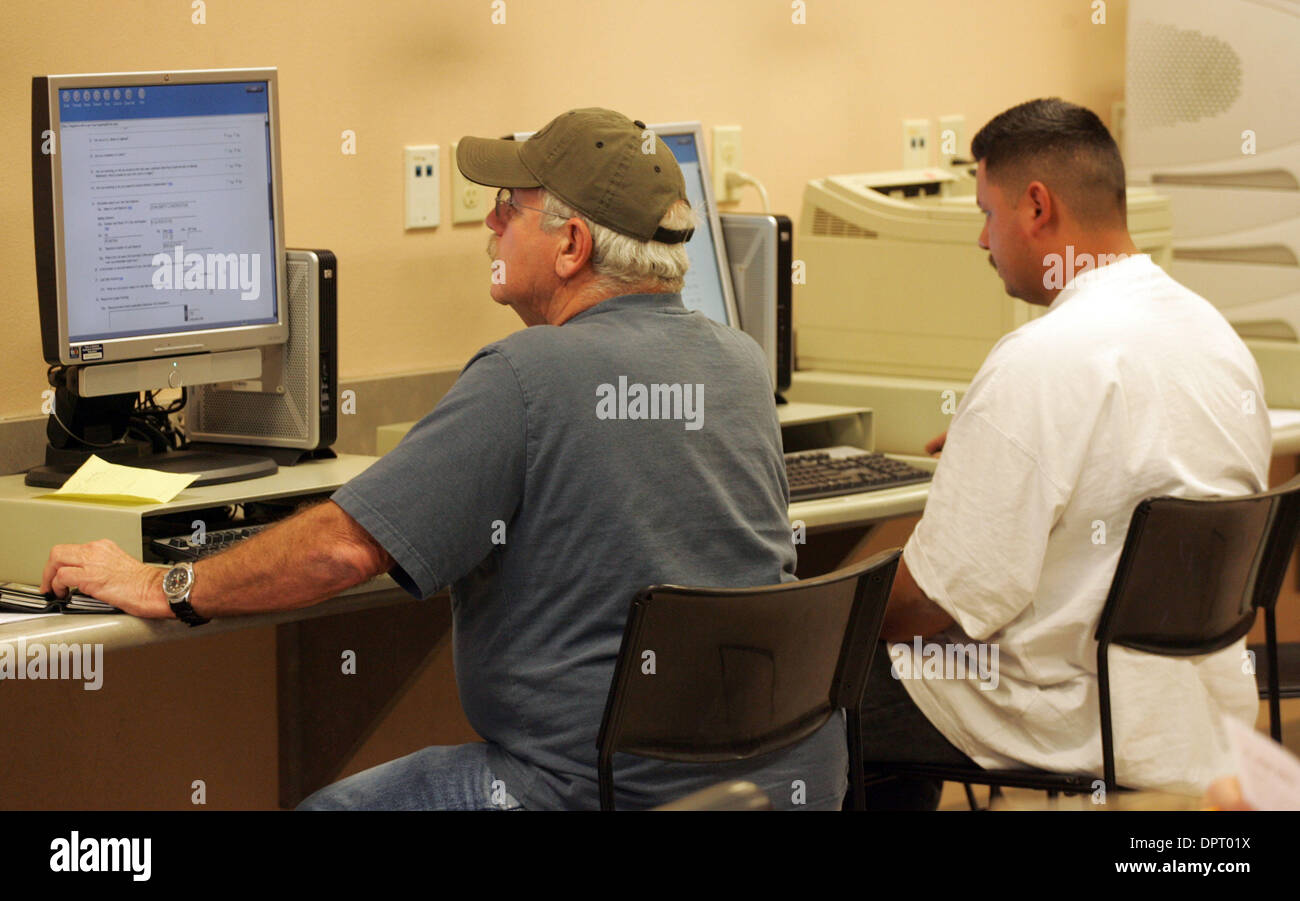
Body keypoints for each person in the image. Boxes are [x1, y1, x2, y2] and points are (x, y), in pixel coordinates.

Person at [39, 108, 847, 810]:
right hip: (777, 782)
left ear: (569, 245)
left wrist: (164, 582)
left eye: (509, 207)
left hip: (587, 793)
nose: (490, 224)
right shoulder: (740, 365)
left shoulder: (526, 377)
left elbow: (339, 548)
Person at [860, 98, 1270, 808]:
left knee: (810, 686)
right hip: (1196, 712)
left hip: (1066, 721)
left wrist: (821, 610)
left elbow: (934, 602)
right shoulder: (1216, 337)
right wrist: (999, 453)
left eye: (988, 213)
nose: (984, 241)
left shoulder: (1039, 359)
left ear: (1036, 207)